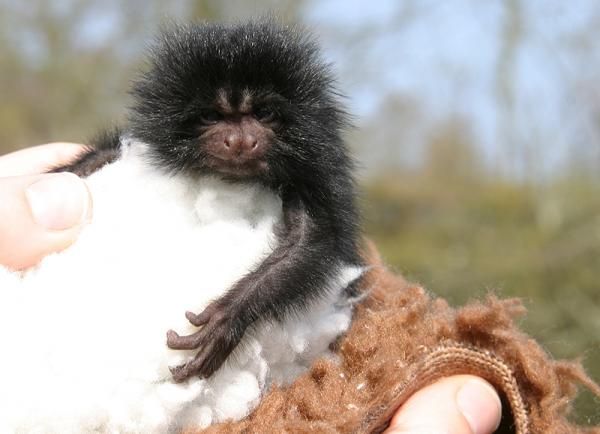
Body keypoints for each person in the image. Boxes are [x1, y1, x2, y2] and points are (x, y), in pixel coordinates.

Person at [0, 143, 502, 434]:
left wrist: (233, 313)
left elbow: (317, 246)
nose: (240, 141)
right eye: (222, 121)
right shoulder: (114, 176)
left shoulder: (306, 210)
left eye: (260, 121)